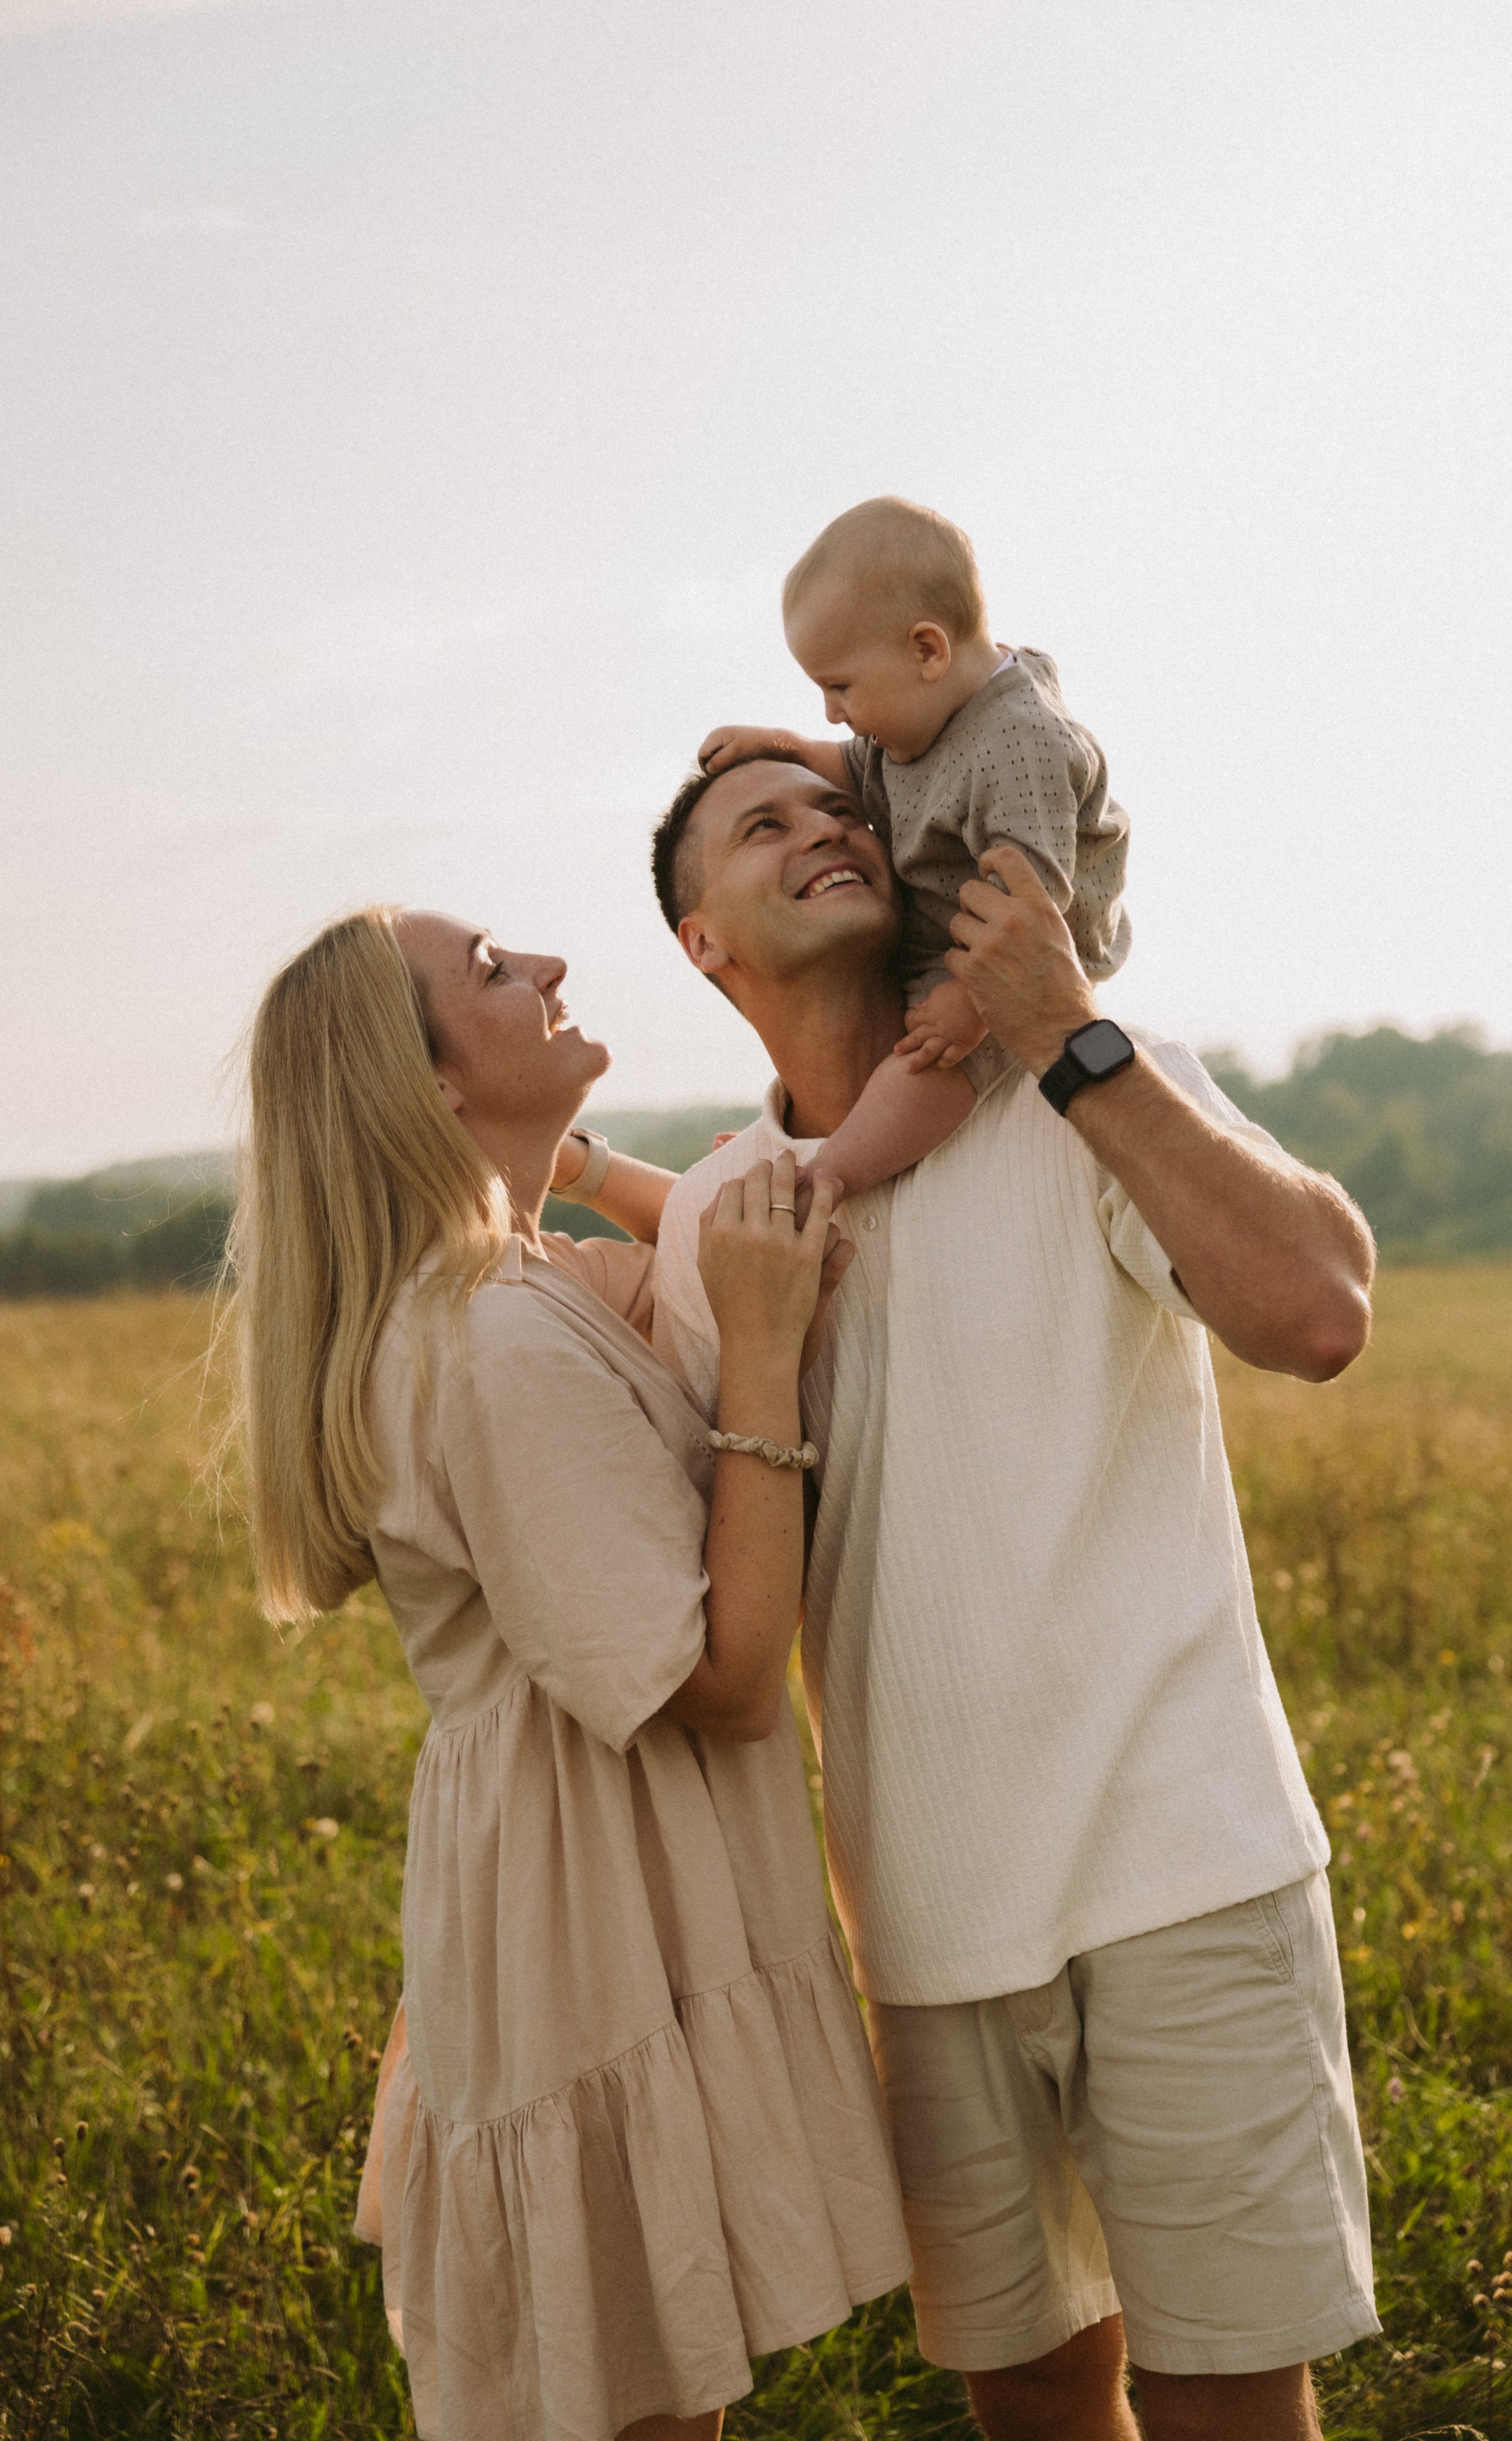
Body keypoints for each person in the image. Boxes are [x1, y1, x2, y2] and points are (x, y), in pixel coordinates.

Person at [648, 756, 1382, 2441]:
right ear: (705, 943)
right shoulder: (712, 1226)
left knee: (1225, 2401)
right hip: (923, 1920)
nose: (827, 828)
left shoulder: (1089, 1080)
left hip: (1184, 1864)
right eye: (765, 826)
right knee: (1039, 2395)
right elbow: (709, 1610)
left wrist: (1069, 1034)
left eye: (840, 806)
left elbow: (1321, 1316)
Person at [224, 905, 910, 2441]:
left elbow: (724, 1238)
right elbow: (732, 1682)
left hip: (579, 1878)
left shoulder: (515, 1281)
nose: (542, 968)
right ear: (430, 1089)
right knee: (633, 2395)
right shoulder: (491, 1345)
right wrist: (754, 1359)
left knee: (651, 2379)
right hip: (588, 1904)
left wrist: (578, 1163)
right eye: (487, 973)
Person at [698, 495, 1130, 1204]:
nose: (832, 712)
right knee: (856, 1022)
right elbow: (862, 769)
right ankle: (794, 1141)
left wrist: (973, 1001)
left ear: (927, 650)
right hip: (949, 927)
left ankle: (831, 1173)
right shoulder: (924, 716)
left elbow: (1031, 904)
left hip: (1015, 956)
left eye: (839, 687)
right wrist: (786, 748)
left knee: (930, 1060)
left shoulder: (1020, 744)